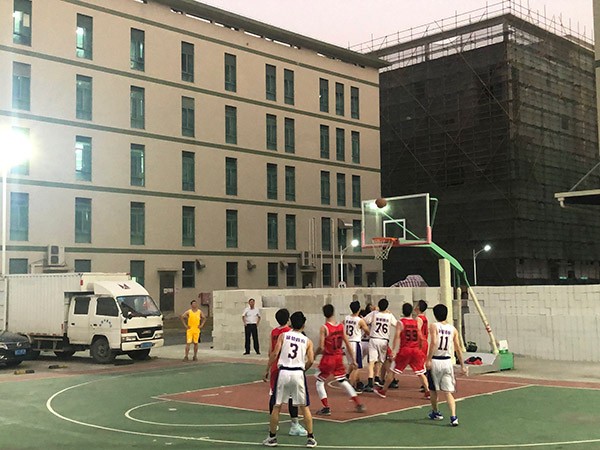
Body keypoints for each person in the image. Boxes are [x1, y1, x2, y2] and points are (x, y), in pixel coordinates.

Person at [262, 311, 317, 448]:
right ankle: (310, 438)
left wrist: (267, 369)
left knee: (277, 405)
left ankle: (272, 437)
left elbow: (275, 353)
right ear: (303, 325)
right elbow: (311, 360)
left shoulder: (283, 335)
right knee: (304, 406)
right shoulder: (307, 341)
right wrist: (303, 369)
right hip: (298, 372)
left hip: (283, 372)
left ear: (291, 323)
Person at [315, 304, 365, 415]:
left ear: (324, 314)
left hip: (328, 357)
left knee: (319, 382)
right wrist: (354, 360)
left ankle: (326, 407)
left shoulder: (324, 328)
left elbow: (321, 347)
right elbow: (347, 344)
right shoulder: (340, 326)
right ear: (333, 312)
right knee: (342, 380)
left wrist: (314, 353)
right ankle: (358, 403)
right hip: (338, 358)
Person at [374, 303, 429, 398]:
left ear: (403, 311)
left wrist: (393, 350)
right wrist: (420, 347)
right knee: (420, 373)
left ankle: (383, 391)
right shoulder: (416, 322)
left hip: (405, 350)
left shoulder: (401, 322)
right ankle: (427, 391)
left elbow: (397, 337)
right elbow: (420, 336)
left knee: (392, 371)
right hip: (415, 350)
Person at [426, 304, 468, 427]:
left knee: (433, 389)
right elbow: (458, 348)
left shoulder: (434, 326)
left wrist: (428, 359)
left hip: (436, 360)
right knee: (448, 392)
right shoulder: (453, 329)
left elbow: (434, 342)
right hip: (447, 361)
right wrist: (462, 365)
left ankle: (436, 412)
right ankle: (454, 417)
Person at [362, 298, 397, 392]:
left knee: (371, 362)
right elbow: (396, 324)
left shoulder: (374, 314)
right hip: (384, 340)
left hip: (374, 338)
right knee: (380, 361)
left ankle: (370, 381)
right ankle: (377, 378)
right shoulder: (389, 315)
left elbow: (364, 321)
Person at [343, 301, 370, 392]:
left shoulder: (346, 318)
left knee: (352, 364)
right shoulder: (359, 320)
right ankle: (351, 386)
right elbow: (367, 331)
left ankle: (357, 383)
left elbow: (342, 325)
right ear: (358, 309)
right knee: (357, 367)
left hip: (347, 343)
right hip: (355, 343)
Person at [414, 299, 429, 395]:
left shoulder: (418, 318)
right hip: (425, 342)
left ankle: (426, 384)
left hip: (421, 343)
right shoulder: (425, 318)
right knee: (422, 363)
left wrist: (419, 342)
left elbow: (418, 331)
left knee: (419, 365)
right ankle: (426, 383)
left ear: (418, 307)